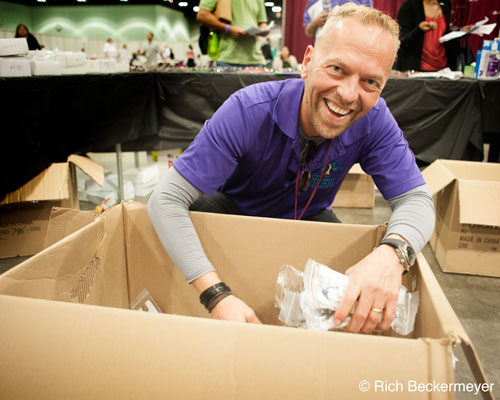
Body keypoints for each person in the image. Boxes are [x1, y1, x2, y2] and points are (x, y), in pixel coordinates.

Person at [148, 4, 435, 334]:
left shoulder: (374, 121)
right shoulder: (248, 110)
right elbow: (165, 200)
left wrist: (392, 254)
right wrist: (216, 295)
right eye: (337, 69)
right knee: (192, 218)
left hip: (309, 216)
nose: (348, 94)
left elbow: (416, 200)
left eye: (370, 81)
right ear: (308, 61)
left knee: (352, 256)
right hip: (235, 211)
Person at [395, 0, 468, 71]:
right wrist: (419, 29)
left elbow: (443, 34)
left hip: (442, 69)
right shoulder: (409, 6)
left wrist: (461, 31)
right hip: (416, 70)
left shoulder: (445, 4)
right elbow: (401, 41)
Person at [196, 0, 269, 67]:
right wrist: (228, 29)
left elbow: (262, 22)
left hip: (256, 59)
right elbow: (202, 15)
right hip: (226, 58)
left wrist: (264, 30)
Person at [304, 0, 373, 41]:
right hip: (324, 49)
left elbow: (369, 23)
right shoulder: (314, 2)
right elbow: (308, 32)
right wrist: (315, 23)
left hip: (352, 46)